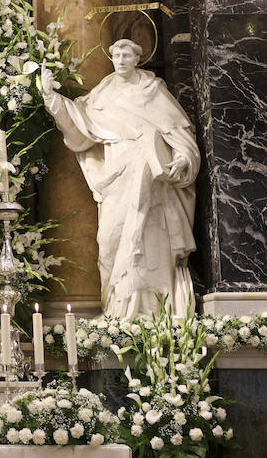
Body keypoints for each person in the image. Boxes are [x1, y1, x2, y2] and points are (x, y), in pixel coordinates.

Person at [40, 39, 200, 317]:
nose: (121, 61)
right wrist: (52, 98)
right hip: (117, 177)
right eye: (116, 56)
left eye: (127, 55)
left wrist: (183, 158)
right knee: (109, 241)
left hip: (152, 180)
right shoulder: (104, 94)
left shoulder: (154, 91)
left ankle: (153, 312)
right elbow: (80, 125)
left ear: (137, 59)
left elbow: (182, 135)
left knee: (149, 243)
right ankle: (116, 309)